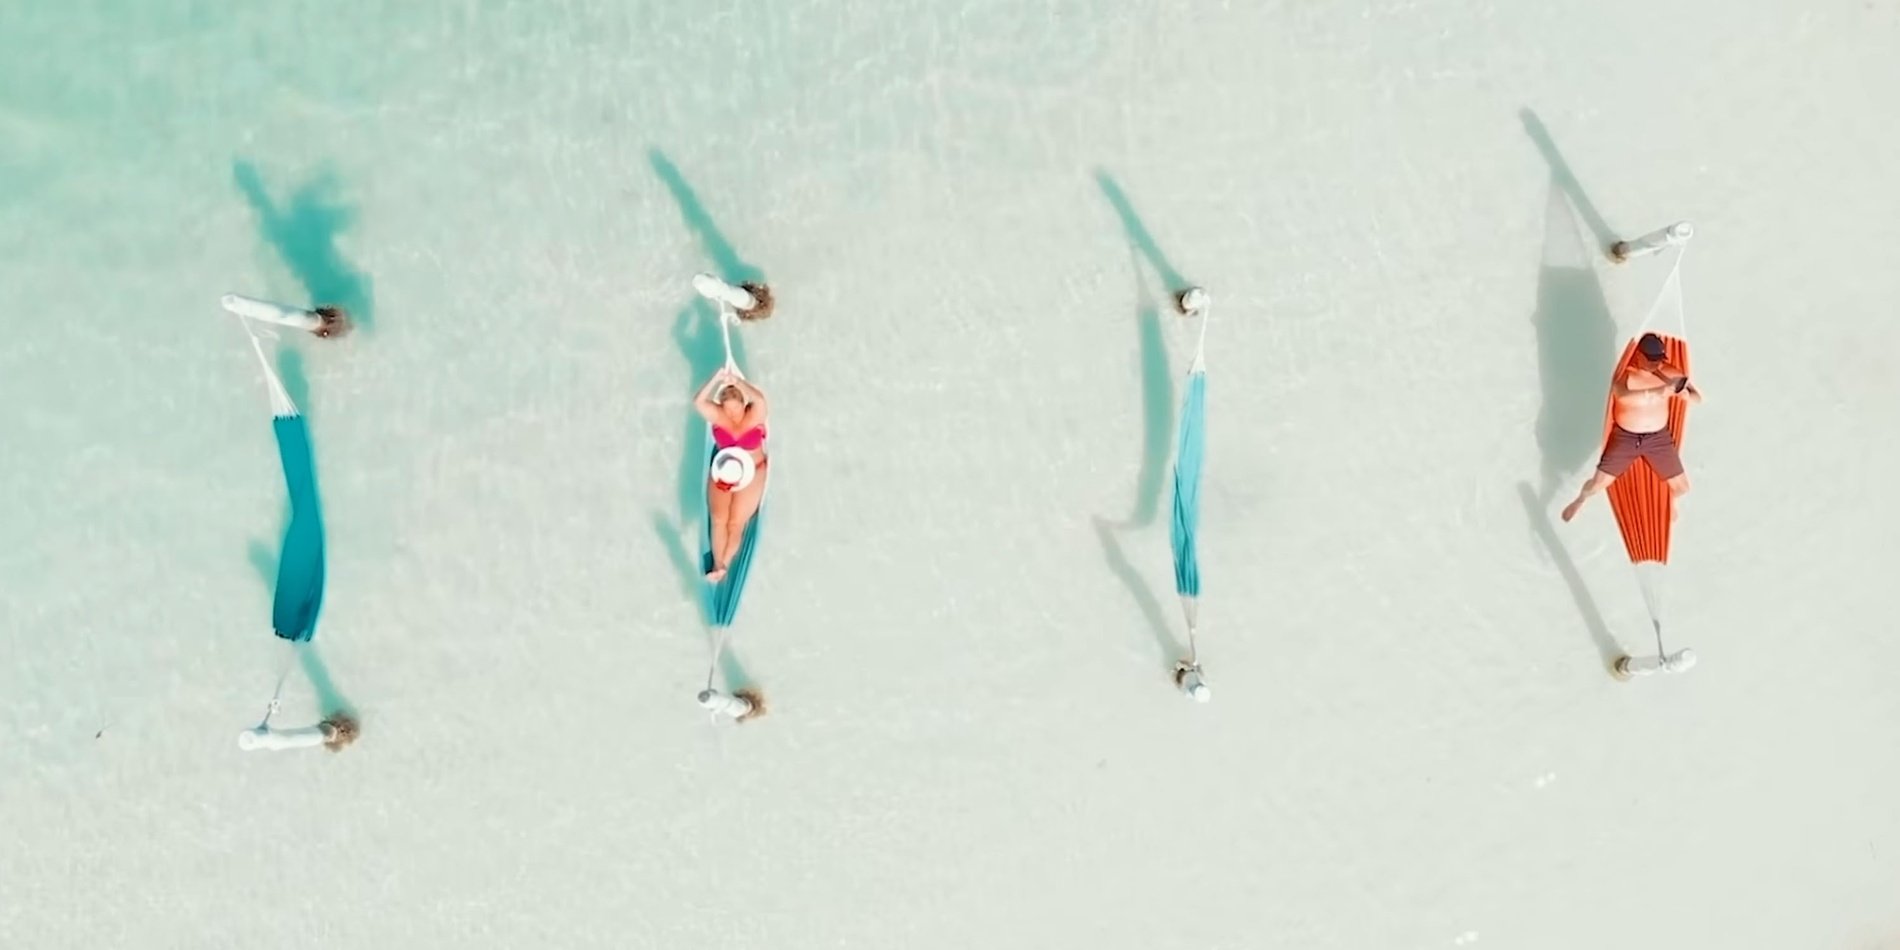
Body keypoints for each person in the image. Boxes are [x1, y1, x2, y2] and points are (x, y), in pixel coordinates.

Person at [1561, 332, 1703, 522]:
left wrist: (1689, 396)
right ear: (1639, 355)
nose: (1656, 364)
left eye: (1659, 359)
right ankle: (1580, 499)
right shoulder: (1627, 375)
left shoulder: (1670, 373)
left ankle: (1671, 503)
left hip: (1657, 439)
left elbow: (1698, 397)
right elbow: (1621, 395)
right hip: (1626, 438)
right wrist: (1656, 392)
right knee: (1597, 484)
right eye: (1651, 360)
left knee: (1683, 488)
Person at [695, 367, 770, 581]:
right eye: (727, 409)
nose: (731, 414)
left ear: (743, 404)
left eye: (735, 409)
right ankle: (718, 564)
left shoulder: (754, 414)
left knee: (735, 522)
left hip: (753, 472)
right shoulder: (719, 415)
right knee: (719, 518)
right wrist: (715, 379)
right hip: (725, 471)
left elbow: (760, 399)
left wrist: (739, 382)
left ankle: (724, 564)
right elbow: (698, 402)